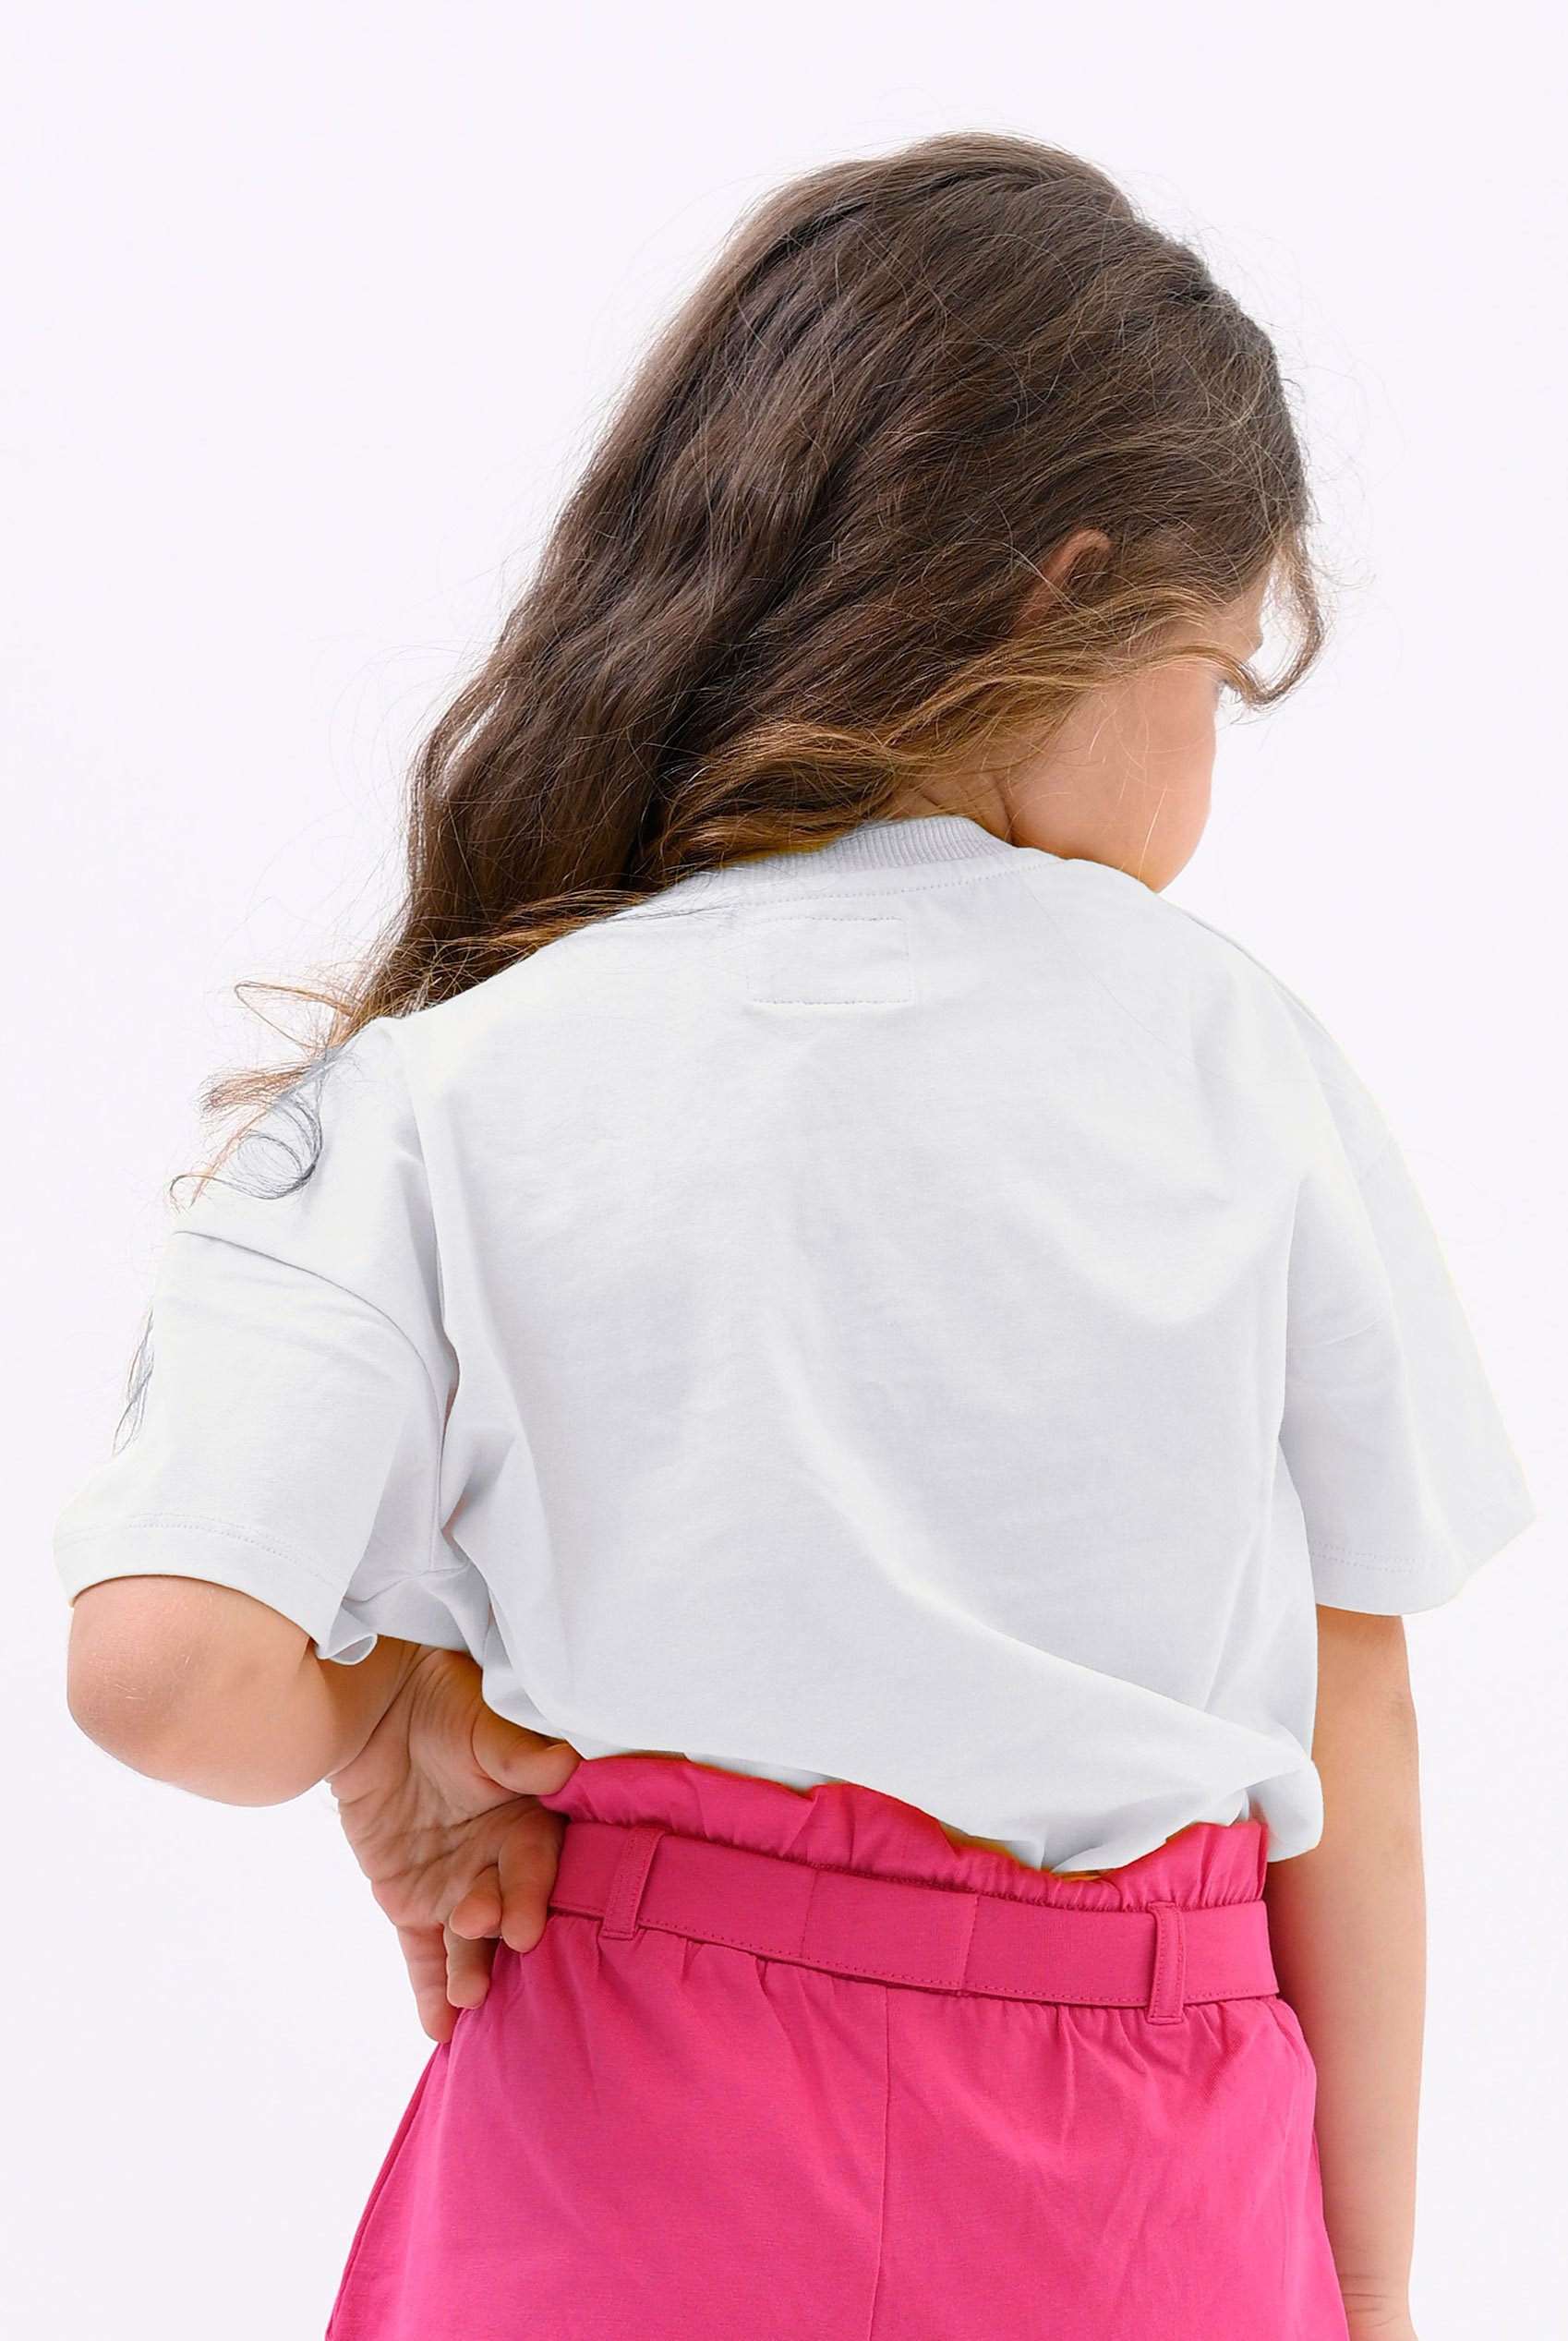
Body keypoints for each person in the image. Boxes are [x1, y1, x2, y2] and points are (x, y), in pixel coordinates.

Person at [53, 132, 1535, 2341]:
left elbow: (165, 1669)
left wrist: (388, 1714)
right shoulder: (1233, 1052)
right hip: (1135, 2192)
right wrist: (1378, 2288)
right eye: (1213, 683)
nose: (1201, 777)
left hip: (623, 2159)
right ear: (1062, 593)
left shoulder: (454, 1076)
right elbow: (1359, 1714)